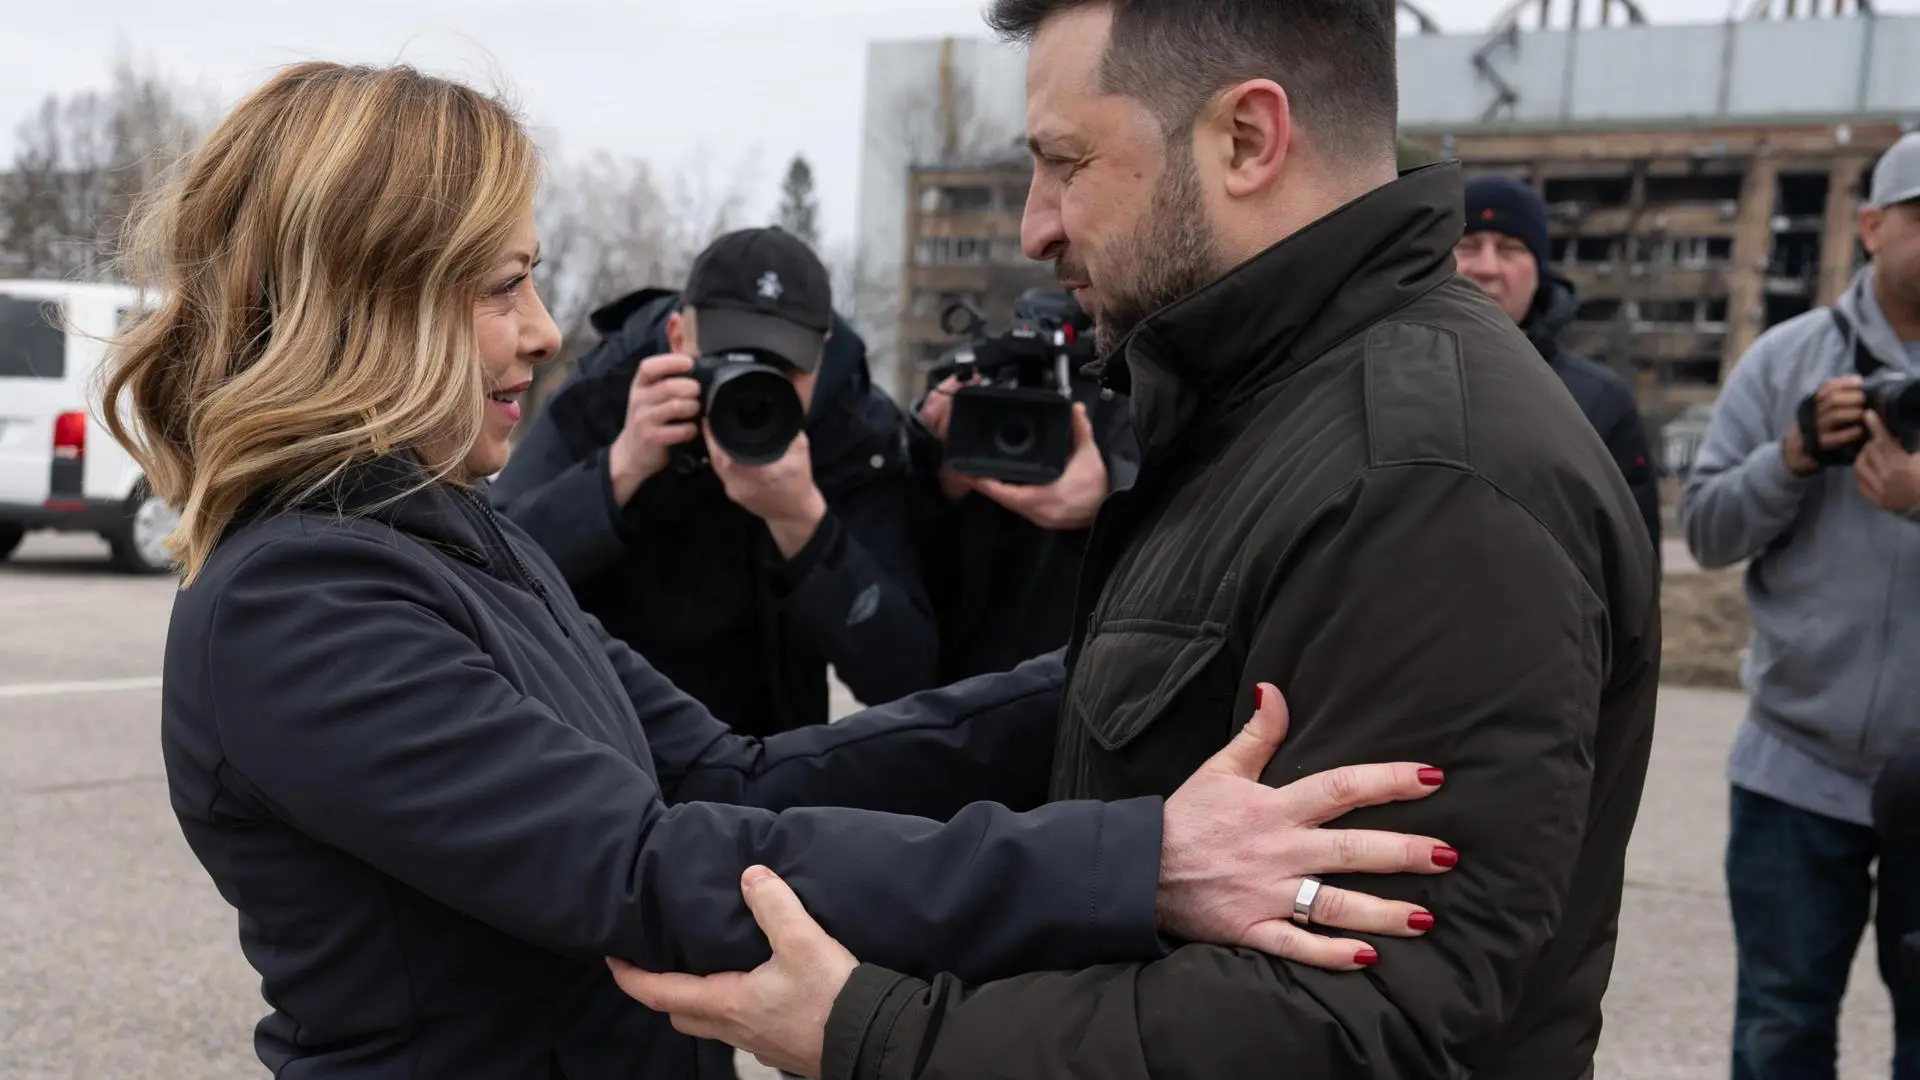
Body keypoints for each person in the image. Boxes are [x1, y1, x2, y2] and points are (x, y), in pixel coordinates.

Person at [109, 61, 1468, 1080]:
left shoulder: (453, 539)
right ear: (365, 300)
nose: (537, 334)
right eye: (498, 285)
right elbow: (652, 865)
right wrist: (1135, 863)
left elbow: (731, 776)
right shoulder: (300, 606)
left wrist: (1141, 668)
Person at [611, 2, 1663, 1078]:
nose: (1036, 227)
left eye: (1065, 162)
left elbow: (1354, 1026)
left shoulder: (1431, 477)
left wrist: (877, 1034)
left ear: (1247, 139)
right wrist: (741, 787)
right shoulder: (1267, 403)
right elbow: (1112, 709)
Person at [1680, 131, 1920, 1079]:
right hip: (1795, 771)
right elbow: (1702, 530)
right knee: (1780, 1030)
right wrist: (1789, 460)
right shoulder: (1789, 361)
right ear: (1870, 227)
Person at [490, 229, 935, 736]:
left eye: (782, 369)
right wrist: (621, 468)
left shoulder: (852, 433)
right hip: (605, 731)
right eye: (728, 360)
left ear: (821, 354)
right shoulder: (613, 390)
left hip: (767, 753)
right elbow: (491, 568)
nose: (752, 391)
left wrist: (805, 523)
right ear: (679, 337)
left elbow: (904, 677)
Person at [907, 290, 1140, 682]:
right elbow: (907, 567)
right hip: (968, 682)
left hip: (1089, 678)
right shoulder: (990, 373)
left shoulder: (1145, 388)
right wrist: (938, 468)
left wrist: (1109, 499)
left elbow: (1196, 526)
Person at [1454, 173, 1663, 549]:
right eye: (1468, 245)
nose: (1486, 267)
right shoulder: (1386, 381)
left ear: (1539, 271)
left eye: (1509, 248)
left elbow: (1631, 566)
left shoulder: (1600, 403)